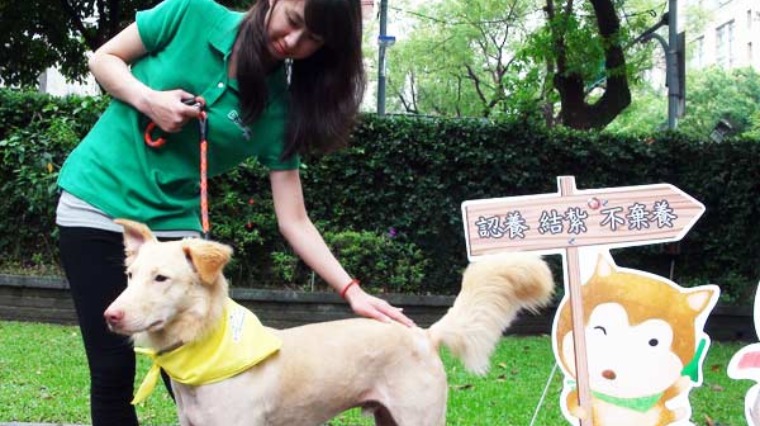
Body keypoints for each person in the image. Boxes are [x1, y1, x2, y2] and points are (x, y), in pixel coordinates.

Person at [55, 0, 415, 424]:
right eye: (294, 21)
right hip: (95, 204)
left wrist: (352, 291)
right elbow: (103, 59)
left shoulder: (279, 110)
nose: (293, 41)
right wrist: (148, 100)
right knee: (113, 369)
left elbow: (293, 219)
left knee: (209, 371)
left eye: (313, 39)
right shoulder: (190, 13)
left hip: (175, 228)